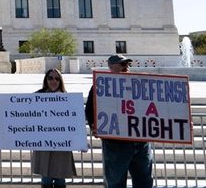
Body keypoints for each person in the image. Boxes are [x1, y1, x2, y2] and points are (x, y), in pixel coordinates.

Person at [85, 54, 153, 188]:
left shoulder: (140, 84)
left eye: (127, 64)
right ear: (110, 66)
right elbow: (90, 110)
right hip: (115, 145)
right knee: (115, 183)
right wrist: (94, 125)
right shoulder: (101, 85)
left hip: (141, 143)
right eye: (122, 64)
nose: (126, 67)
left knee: (144, 182)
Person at [31, 68, 76, 188]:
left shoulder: (68, 99)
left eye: (57, 78)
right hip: (44, 144)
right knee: (46, 179)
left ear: (61, 81)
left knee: (60, 180)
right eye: (50, 78)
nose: (53, 81)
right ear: (46, 80)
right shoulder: (37, 96)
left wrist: (79, 142)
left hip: (62, 144)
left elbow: (75, 122)